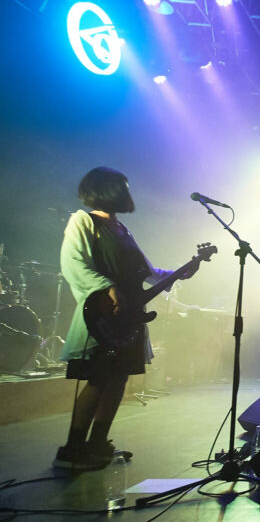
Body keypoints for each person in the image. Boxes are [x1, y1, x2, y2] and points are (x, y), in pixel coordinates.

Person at [56, 167, 186, 470]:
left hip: (128, 319)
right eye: (123, 187)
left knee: (118, 378)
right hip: (103, 316)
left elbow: (148, 271)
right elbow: (73, 262)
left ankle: (98, 444)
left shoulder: (122, 229)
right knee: (99, 378)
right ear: (107, 189)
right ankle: (72, 450)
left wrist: (181, 271)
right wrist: (108, 287)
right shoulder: (83, 221)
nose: (128, 192)